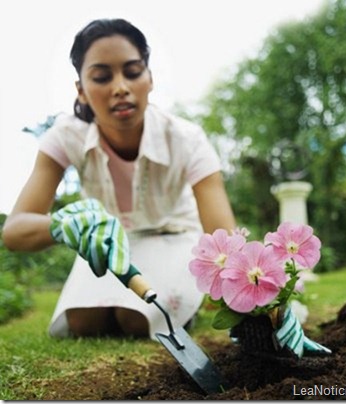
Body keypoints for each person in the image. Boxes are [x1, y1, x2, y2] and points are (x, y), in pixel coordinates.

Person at [2, 18, 236, 339]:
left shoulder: (186, 139)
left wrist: (254, 291)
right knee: (83, 324)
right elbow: (14, 232)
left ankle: (185, 308)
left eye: (133, 72)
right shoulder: (65, 136)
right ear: (81, 91)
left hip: (174, 237)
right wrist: (63, 225)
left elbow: (223, 233)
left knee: (134, 319)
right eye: (101, 77)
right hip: (109, 245)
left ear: (150, 79)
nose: (120, 87)